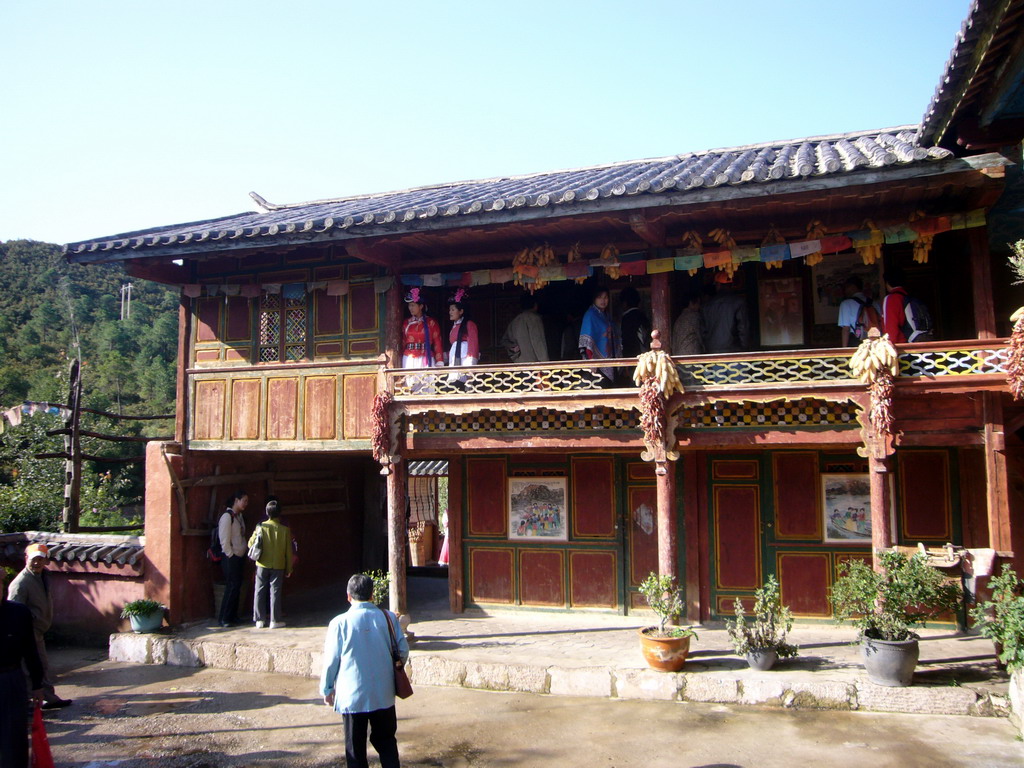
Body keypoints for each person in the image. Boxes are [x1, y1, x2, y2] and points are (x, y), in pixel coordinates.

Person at [321, 573, 409, 768]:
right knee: (387, 742)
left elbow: (331, 661)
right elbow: (402, 651)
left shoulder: (339, 623)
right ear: (372, 595)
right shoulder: (388, 619)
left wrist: (327, 689)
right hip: (383, 693)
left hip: (352, 697)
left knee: (355, 751)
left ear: (348, 596)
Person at [7, 542, 71, 709]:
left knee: (41, 666)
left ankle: (48, 697)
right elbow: (15, 612)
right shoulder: (21, 583)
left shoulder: (42, 576)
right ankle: (34, 701)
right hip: (29, 632)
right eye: (34, 559)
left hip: (38, 630)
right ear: (26, 559)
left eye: (40, 560)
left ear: (45, 561)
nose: (37, 563)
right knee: (32, 667)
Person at [1, 565, 44, 768]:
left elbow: (30, 650)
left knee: (14, 736)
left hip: (11, 679)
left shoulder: (18, 613)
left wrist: (37, 683)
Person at [250, 499, 294, 629]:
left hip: (262, 564)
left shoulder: (261, 527)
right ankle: (275, 620)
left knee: (259, 590)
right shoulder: (285, 530)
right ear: (279, 513)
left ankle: (259, 620)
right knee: (275, 592)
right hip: (278, 565)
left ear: (266, 512)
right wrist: (289, 568)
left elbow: (250, 543)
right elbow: (288, 551)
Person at [218, 490, 249, 627]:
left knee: (237, 587)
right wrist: (231, 555)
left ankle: (233, 615)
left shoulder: (239, 516)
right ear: (236, 500)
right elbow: (224, 540)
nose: (245, 504)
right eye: (244, 500)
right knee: (231, 587)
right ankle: (224, 617)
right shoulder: (227, 517)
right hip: (231, 557)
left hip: (239, 555)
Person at [700, 272, 750, 354]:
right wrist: (744, 349)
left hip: (712, 352)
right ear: (731, 285)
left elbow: (703, 332)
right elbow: (743, 328)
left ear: (718, 285)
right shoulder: (739, 302)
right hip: (734, 350)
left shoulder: (706, 306)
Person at [882, 266, 933, 343]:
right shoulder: (908, 297)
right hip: (917, 343)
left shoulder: (891, 299)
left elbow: (890, 329)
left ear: (887, 282)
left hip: (903, 348)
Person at [579, 287, 617, 385]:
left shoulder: (606, 315)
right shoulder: (590, 315)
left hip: (609, 359)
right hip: (596, 363)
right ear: (594, 299)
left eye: (605, 297)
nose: (603, 300)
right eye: (600, 297)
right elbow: (585, 342)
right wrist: (590, 362)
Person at [401, 287, 444, 369]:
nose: (410, 308)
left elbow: (437, 342)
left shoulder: (431, 322)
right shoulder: (406, 323)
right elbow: (403, 342)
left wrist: (439, 361)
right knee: (410, 381)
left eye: (413, 305)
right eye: (409, 305)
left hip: (426, 357)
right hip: (409, 358)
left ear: (421, 306)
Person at [501, 292, 549, 363]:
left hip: (519, 363)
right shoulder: (534, 319)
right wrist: (545, 363)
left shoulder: (515, 320)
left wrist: (514, 349)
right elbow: (538, 341)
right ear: (535, 305)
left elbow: (504, 341)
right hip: (534, 364)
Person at [446, 289, 479, 385]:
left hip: (465, 360)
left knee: (464, 384)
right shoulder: (455, 326)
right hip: (454, 359)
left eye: (453, 310)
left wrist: (470, 365)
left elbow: (473, 345)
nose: (450, 312)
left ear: (461, 311)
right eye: (449, 310)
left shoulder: (469, 324)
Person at [837, 276, 881, 347]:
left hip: (856, 340)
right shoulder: (874, 303)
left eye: (846, 287)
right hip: (875, 340)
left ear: (852, 287)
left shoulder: (846, 304)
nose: (845, 290)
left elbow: (846, 329)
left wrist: (844, 349)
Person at [618, 286, 650, 359]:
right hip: (646, 356)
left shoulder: (626, 318)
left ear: (624, 303)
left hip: (633, 357)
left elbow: (627, 342)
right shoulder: (643, 316)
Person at [671, 291, 703, 356]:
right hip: (691, 355)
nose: (699, 306)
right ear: (691, 303)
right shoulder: (694, 316)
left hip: (677, 355)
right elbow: (700, 335)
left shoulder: (679, 318)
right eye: (698, 303)